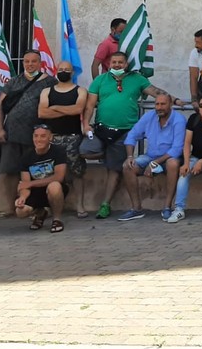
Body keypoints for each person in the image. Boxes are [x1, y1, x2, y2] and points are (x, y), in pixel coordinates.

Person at [82, 51, 174, 220]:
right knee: (85, 150)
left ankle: (105, 204)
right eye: (114, 62)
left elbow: (156, 92)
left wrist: (175, 100)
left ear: (126, 64)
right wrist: (86, 123)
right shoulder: (99, 80)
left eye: (120, 62)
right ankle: (110, 156)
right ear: (109, 64)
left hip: (125, 132)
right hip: (101, 129)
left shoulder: (137, 79)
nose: (117, 65)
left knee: (114, 169)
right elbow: (89, 105)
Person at [0, 51, 57, 220]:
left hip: (36, 137)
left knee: (37, 172)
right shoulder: (14, 81)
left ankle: (38, 208)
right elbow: (0, 107)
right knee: (8, 171)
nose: (30, 64)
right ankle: (7, 207)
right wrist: (0, 129)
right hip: (11, 134)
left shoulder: (50, 82)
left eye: (33, 61)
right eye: (27, 61)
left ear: (40, 63)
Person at [119, 92, 186, 221]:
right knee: (127, 166)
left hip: (169, 158)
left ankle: (167, 207)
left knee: (172, 163)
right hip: (150, 157)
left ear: (170, 105)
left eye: (163, 104)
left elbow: (177, 149)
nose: (159, 107)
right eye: (157, 104)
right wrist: (130, 156)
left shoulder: (179, 120)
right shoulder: (149, 116)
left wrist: (155, 163)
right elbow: (132, 135)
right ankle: (136, 209)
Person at [37, 60, 88, 218]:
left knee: (77, 172)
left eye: (67, 69)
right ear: (56, 71)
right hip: (51, 138)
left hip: (73, 137)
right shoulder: (47, 91)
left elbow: (78, 109)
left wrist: (54, 107)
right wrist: (67, 110)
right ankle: (49, 205)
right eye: (61, 69)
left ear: (72, 73)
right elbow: (42, 113)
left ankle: (80, 206)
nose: (63, 72)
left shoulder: (80, 91)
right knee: (48, 172)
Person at [169, 92, 202, 223]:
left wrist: (201, 162)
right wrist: (186, 163)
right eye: (201, 105)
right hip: (195, 155)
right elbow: (187, 143)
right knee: (184, 173)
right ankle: (179, 209)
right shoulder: (194, 119)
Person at [14, 124, 69, 233]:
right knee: (21, 212)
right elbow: (25, 183)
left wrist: (31, 184)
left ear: (50, 137)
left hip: (55, 189)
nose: (38, 139)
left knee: (54, 186)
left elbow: (59, 177)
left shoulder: (58, 151)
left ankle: (56, 220)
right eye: (36, 136)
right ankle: (40, 213)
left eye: (43, 136)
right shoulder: (26, 156)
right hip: (35, 191)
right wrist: (22, 198)